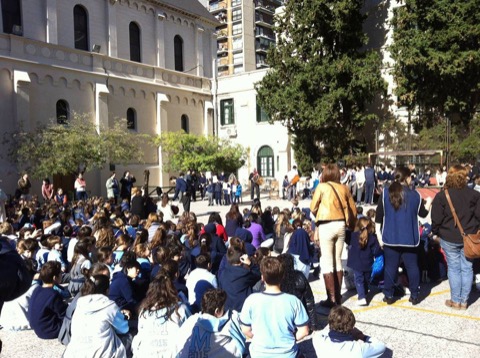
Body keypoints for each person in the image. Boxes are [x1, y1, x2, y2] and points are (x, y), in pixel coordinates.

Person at [375, 166, 431, 305]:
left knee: (390, 267)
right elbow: (423, 214)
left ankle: (388, 294)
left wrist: (379, 236)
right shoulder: (415, 195)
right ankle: (415, 294)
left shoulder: (386, 193)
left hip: (390, 237)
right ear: (406, 178)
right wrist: (428, 203)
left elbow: (379, 217)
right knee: (412, 266)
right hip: (410, 238)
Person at [431, 165, 480, 309]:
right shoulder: (474, 195)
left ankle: (455, 300)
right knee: (467, 268)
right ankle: (464, 301)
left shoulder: (442, 195)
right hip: (469, 237)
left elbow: (436, 218)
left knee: (453, 268)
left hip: (448, 236)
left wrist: (436, 232)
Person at [240, 256, 309, 357]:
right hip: (287, 354)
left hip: (259, 353)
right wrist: (290, 339)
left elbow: (245, 329)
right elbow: (304, 331)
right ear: (282, 277)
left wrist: (258, 338)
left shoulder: (251, 300)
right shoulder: (293, 301)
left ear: (262, 277)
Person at [310, 164, 357, 308]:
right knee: (338, 259)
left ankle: (331, 299)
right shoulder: (344, 188)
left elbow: (312, 207)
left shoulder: (322, 187)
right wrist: (352, 225)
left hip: (326, 225)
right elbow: (353, 209)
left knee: (327, 261)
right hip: (341, 225)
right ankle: (338, 296)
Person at [63, 274, 129, 358]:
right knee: (129, 337)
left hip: (76, 352)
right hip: (101, 354)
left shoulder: (80, 303)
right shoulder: (109, 305)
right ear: (107, 290)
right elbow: (124, 329)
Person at [132, 275, 190, 357]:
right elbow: (190, 330)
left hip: (147, 353)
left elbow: (141, 332)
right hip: (173, 354)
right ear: (172, 290)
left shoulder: (145, 312)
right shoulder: (180, 309)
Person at [177, 289, 246, 358]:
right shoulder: (227, 326)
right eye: (223, 308)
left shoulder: (191, 321)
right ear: (217, 311)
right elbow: (237, 349)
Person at [312, 305, 386, 357]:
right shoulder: (358, 349)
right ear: (351, 328)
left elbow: (322, 332)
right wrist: (362, 337)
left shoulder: (318, 340)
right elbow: (381, 346)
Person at [278, 253, 319, 332]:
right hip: (300, 319)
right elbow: (309, 300)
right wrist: (313, 324)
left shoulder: (277, 279)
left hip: (284, 322)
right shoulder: (300, 276)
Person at [28, 261, 68, 339]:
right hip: (51, 330)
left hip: (39, 329)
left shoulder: (37, 289)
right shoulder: (53, 294)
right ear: (54, 278)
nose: (61, 275)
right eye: (60, 274)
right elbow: (64, 314)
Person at [347, 217, 381, 306]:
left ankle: (361, 297)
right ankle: (364, 292)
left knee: (358, 279)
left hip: (356, 262)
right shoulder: (373, 238)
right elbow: (377, 251)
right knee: (366, 279)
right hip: (368, 262)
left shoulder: (353, 235)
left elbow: (346, 238)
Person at [218, 244, 261, 312]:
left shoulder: (222, 273)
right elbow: (259, 274)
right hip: (242, 309)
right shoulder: (244, 273)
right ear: (241, 259)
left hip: (227, 309)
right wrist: (250, 263)